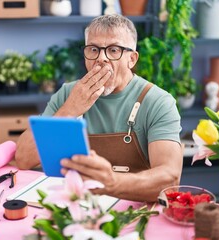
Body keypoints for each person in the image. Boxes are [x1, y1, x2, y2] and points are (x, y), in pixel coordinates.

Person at [15, 14, 183, 202]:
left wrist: (111, 183)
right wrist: (70, 109)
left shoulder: (158, 102)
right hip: (79, 206)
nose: (101, 58)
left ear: (132, 59)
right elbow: (23, 158)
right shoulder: (68, 93)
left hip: (135, 209)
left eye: (113, 50)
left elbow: (170, 181)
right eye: (94, 49)